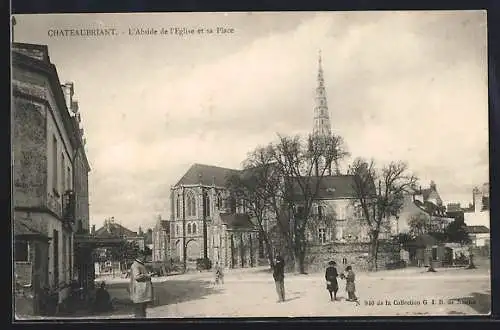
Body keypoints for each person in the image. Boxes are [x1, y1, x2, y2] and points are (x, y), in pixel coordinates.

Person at [129, 250, 153, 318]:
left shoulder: (139, 264)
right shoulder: (135, 265)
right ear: (141, 256)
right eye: (144, 257)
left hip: (142, 293)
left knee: (142, 310)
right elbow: (137, 277)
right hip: (139, 292)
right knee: (140, 311)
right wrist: (147, 275)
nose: (145, 258)